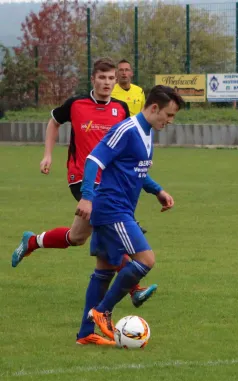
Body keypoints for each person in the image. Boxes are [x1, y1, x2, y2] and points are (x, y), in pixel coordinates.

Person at [10, 59, 157, 339]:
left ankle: (34, 240)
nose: (107, 82)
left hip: (112, 183)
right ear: (93, 79)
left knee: (78, 237)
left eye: (111, 78)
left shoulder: (121, 108)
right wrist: (48, 154)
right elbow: (54, 122)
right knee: (115, 228)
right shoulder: (76, 105)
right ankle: (132, 289)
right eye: (102, 77)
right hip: (83, 179)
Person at [76, 85, 184, 345]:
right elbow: (94, 160)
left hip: (119, 207)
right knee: (146, 260)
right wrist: (87, 196)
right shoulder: (126, 129)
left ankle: (85, 333)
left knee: (105, 269)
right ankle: (102, 311)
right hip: (112, 208)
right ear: (154, 107)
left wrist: (157, 190)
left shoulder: (148, 132)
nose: (170, 121)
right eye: (168, 115)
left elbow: (137, 169)